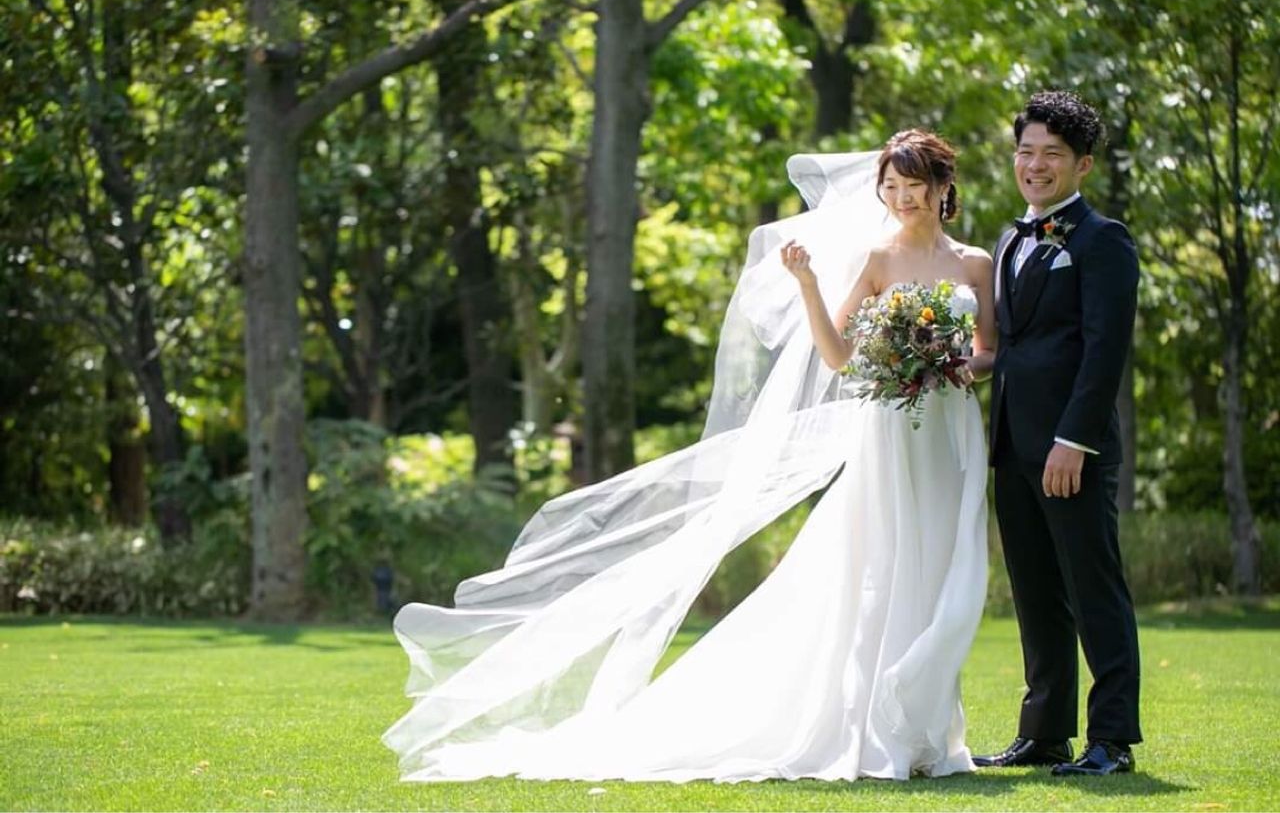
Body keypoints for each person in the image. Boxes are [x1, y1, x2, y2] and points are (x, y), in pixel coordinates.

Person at [383, 130, 995, 783]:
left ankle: (930, 733)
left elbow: (990, 350)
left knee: (945, 571)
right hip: (889, 432)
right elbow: (839, 356)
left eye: (914, 186)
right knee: (882, 570)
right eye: (891, 187)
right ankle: (881, 731)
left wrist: (956, 365)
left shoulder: (976, 264)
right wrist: (810, 285)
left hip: (950, 429)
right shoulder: (875, 258)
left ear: (942, 187)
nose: (902, 198)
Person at [974, 91, 1142, 776]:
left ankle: (1112, 741)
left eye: (1052, 154)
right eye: (1026, 151)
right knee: (1036, 592)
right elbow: (1009, 347)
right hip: (1012, 445)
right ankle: (1044, 733)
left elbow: (1105, 351)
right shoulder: (1009, 239)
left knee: (1095, 590)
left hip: (1073, 449)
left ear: (1082, 165)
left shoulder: (1104, 240)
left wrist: (1074, 440)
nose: (1035, 165)